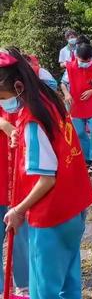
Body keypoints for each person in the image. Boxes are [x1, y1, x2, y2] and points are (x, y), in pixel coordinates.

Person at [0, 48, 92, 298]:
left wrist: (18, 209)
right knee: (69, 283)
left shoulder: (32, 120)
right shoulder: (49, 102)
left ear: (18, 86)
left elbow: (46, 179)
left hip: (50, 216)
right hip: (74, 207)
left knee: (45, 290)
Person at [61, 43, 92, 174]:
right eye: (82, 61)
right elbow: (63, 83)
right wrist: (67, 93)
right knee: (80, 133)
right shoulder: (70, 67)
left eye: (88, 61)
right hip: (76, 105)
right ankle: (86, 158)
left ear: (91, 58)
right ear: (77, 57)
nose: (85, 63)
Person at [0, 110, 29, 297]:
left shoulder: (25, 96)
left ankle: (24, 283)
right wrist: (4, 124)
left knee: (20, 236)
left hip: (22, 176)